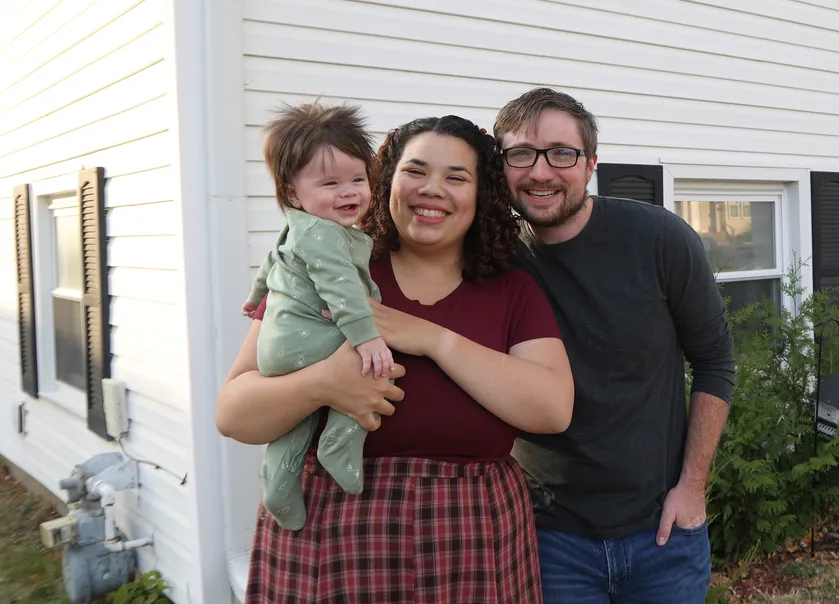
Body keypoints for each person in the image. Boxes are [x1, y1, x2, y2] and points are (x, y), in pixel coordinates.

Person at [215, 114, 573, 603]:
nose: (432, 190)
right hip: (330, 529)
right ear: (387, 180)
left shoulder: (513, 292)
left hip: (473, 537)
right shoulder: (325, 269)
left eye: (456, 177)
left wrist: (433, 338)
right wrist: (322, 383)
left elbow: (553, 410)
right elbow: (233, 414)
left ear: (481, 195)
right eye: (416, 171)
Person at [499, 87, 737, 603]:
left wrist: (693, 488)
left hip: (663, 536)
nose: (541, 172)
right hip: (548, 538)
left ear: (590, 165)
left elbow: (716, 361)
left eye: (562, 153)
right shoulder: (493, 261)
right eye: (521, 153)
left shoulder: (660, 240)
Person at [241, 102, 396, 531]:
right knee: (376, 369)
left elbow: (270, 262)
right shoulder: (326, 235)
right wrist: (367, 338)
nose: (349, 192)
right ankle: (340, 443)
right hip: (312, 341)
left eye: (357, 179)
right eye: (330, 183)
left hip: (281, 347)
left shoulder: (298, 225)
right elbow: (341, 287)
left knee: (293, 419)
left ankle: (278, 483)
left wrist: (256, 299)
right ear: (292, 192)